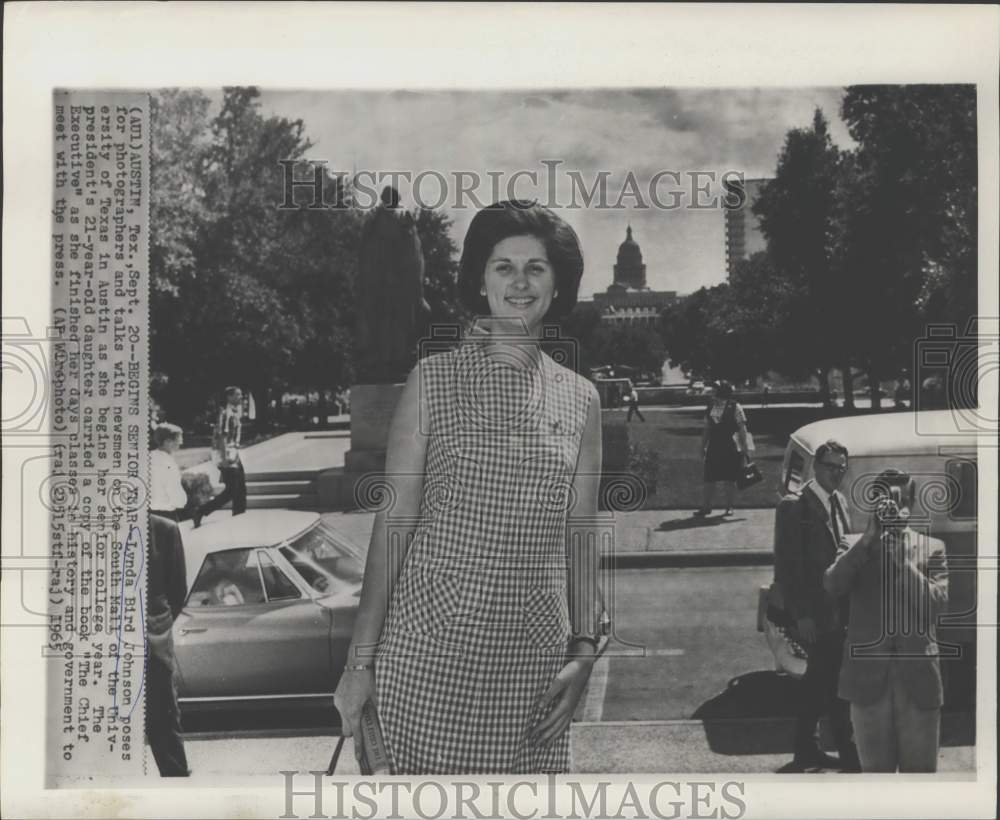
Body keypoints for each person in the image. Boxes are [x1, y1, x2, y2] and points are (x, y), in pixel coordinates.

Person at [334, 200, 604, 775]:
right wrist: (359, 666)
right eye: (502, 266)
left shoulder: (582, 399)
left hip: (533, 671)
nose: (520, 282)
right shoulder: (430, 381)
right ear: (480, 282)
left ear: (558, 284)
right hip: (428, 665)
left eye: (537, 267)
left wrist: (584, 653)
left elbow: (581, 538)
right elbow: (393, 527)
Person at [823, 469, 948, 772]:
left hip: (918, 680)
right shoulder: (853, 544)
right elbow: (832, 586)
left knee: (919, 780)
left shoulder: (932, 548)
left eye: (903, 500)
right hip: (867, 681)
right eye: (888, 500)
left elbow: (934, 606)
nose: (897, 507)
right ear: (874, 503)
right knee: (876, 779)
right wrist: (867, 541)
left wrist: (903, 561)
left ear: (912, 503)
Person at [773, 439, 861, 772]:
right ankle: (847, 751)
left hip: (837, 610)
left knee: (820, 681)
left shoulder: (839, 502)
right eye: (830, 466)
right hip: (813, 613)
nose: (836, 473)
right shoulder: (794, 506)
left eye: (842, 467)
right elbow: (787, 565)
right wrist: (802, 614)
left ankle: (805, 750)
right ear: (815, 467)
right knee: (831, 680)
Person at [146, 514, 190, 776]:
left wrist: (156, 629)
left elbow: (177, 593)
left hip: (154, 646)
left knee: (164, 724)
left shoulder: (165, 530)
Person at [694, 381, 748, 517]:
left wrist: (745, 448)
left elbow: (742, 429)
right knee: (711, 478)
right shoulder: (717, 407)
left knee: (727, 479)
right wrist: (703, 446)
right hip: (717, 447)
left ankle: (725, 507)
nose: (713, 393)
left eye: (716, 390)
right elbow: (709, 428)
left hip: (729, 447)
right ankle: (708, 507)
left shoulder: (734, 407)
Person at [194, 386, 247, 525]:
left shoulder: (235, 412)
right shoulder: (225, 413)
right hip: (226, 454)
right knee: (231, 491)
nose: (241, 397)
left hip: (234, 453)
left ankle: (240, 517)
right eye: (237, 395)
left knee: (241, 488)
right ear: (229, 397)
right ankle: (201, 511)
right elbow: (222, 437)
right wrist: (224, 458)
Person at [150, 423, 189, 521]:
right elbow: (174, 490)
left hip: (149, 513)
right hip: (166, 514)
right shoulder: (168, 463)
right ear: (168, 442)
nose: (181, 443)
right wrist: (182, 502)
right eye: (178, 440)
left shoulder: (150, 457)